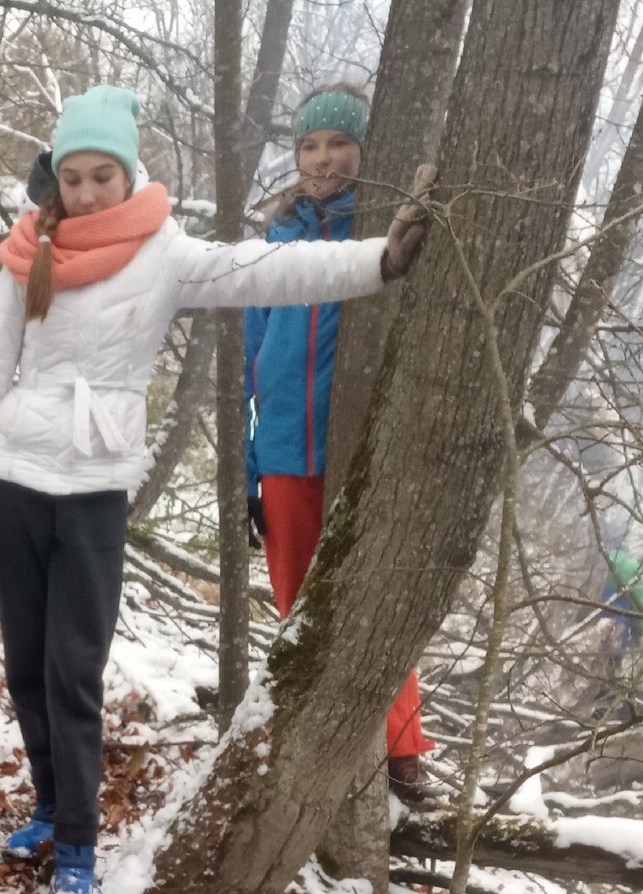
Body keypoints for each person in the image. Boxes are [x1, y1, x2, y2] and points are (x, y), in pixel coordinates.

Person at [0, 83, 431, 894]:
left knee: (74, 671)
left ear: (130, 176)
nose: (88, 191)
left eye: (104, 174)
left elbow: (272, 268)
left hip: (94, 489)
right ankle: (50, 805)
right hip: (12, 482)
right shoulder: (29, 252)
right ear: (55, 177)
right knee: (26, 665)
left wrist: (379, 259)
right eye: (75, 176)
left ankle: (78, 847)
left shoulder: (162, 253)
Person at [244, 84, 434, 805]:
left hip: (361, 448)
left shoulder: (384, 229)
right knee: (300, 608)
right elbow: (252, 368)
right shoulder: (276, 239)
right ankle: (315, 750)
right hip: (287, 453)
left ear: (364, 149)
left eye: (339, 143)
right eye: (310, 145)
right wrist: (250, 467)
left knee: (376, 605)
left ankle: (403, 753)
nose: (324, 158)